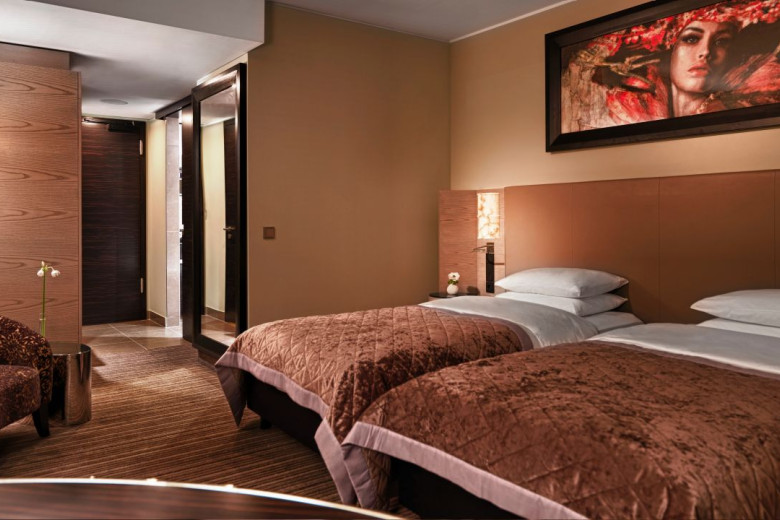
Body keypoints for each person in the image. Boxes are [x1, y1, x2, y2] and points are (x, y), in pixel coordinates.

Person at [562, 0, 780, 131]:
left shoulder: (751, 102)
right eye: (691, 39)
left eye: (721, 42)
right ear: (671, 50)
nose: (705, 52)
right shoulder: (624, 108)